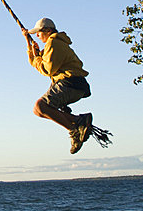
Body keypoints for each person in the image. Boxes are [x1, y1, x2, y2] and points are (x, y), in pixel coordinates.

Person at [24, 18, 93, 154]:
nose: (37, 35)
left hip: (71, 83)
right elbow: (38, 63)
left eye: (38, 32)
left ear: (48, 31)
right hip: (73, 85)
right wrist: (30, 46)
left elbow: (47, 69)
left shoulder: (53, 43)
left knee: (41, 106)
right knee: (38, 111)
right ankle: (78, 121)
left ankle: (75, 130)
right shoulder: (54, 44)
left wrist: (38, 57)